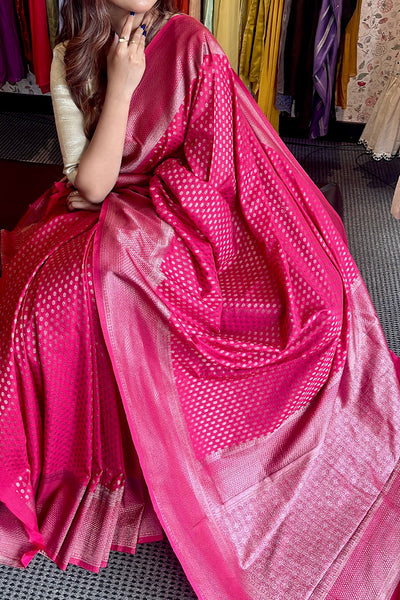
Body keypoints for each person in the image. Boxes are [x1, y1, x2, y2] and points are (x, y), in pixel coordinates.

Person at [1, 2, 400, 599]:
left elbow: (227, 165)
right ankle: (86, 473)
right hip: (107, 215)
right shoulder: (71, 55)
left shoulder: (188, 41)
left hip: (189, 220)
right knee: (45, 300)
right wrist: (121, 87)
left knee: (120, 275)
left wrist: (145, 197)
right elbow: (89, 182)